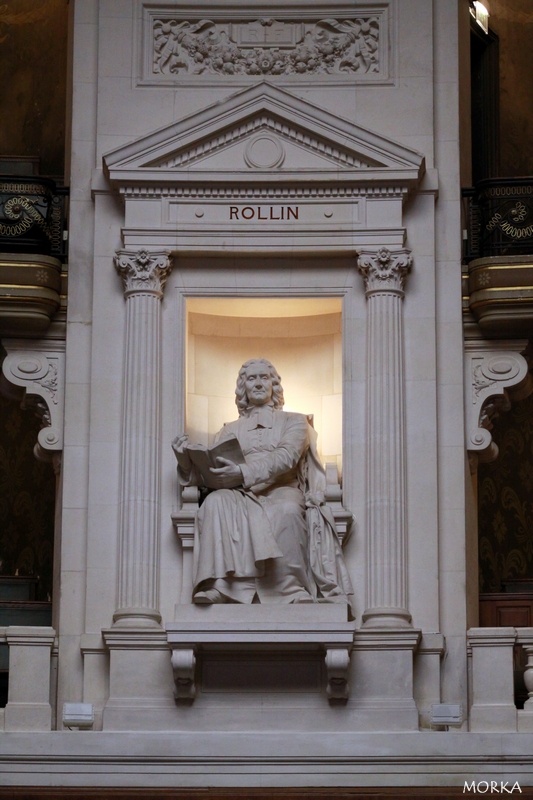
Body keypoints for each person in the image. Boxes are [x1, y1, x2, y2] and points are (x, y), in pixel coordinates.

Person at [172, 358, 353, 608]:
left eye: (263, 377)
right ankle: (221, 585)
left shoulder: (295, 421)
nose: (257, 383)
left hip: (282, 489)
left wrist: (242, 472)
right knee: (214, 502)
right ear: (242, 387)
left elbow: (286, 457)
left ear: (274, 386)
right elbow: (212, 470)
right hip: (239, 493)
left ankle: (291, 588)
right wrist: (186, 462)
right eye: (251, 378)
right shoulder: (229, 429)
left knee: (286, 511)